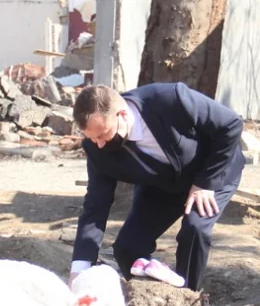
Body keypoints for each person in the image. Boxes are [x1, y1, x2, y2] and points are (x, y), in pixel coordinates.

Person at [70, 83, 244, 292]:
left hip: (211, 173)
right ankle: (156, 299)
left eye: (103, 134)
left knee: (195, 229)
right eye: (92, 138)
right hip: (162, 186)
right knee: (127, 249)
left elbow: (231, 124)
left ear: (123, 115)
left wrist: (205, 183)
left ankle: (187, 300)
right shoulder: (96, 149)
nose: (99, 144)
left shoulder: (169, 99)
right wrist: (80, 269)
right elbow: (95, 208)